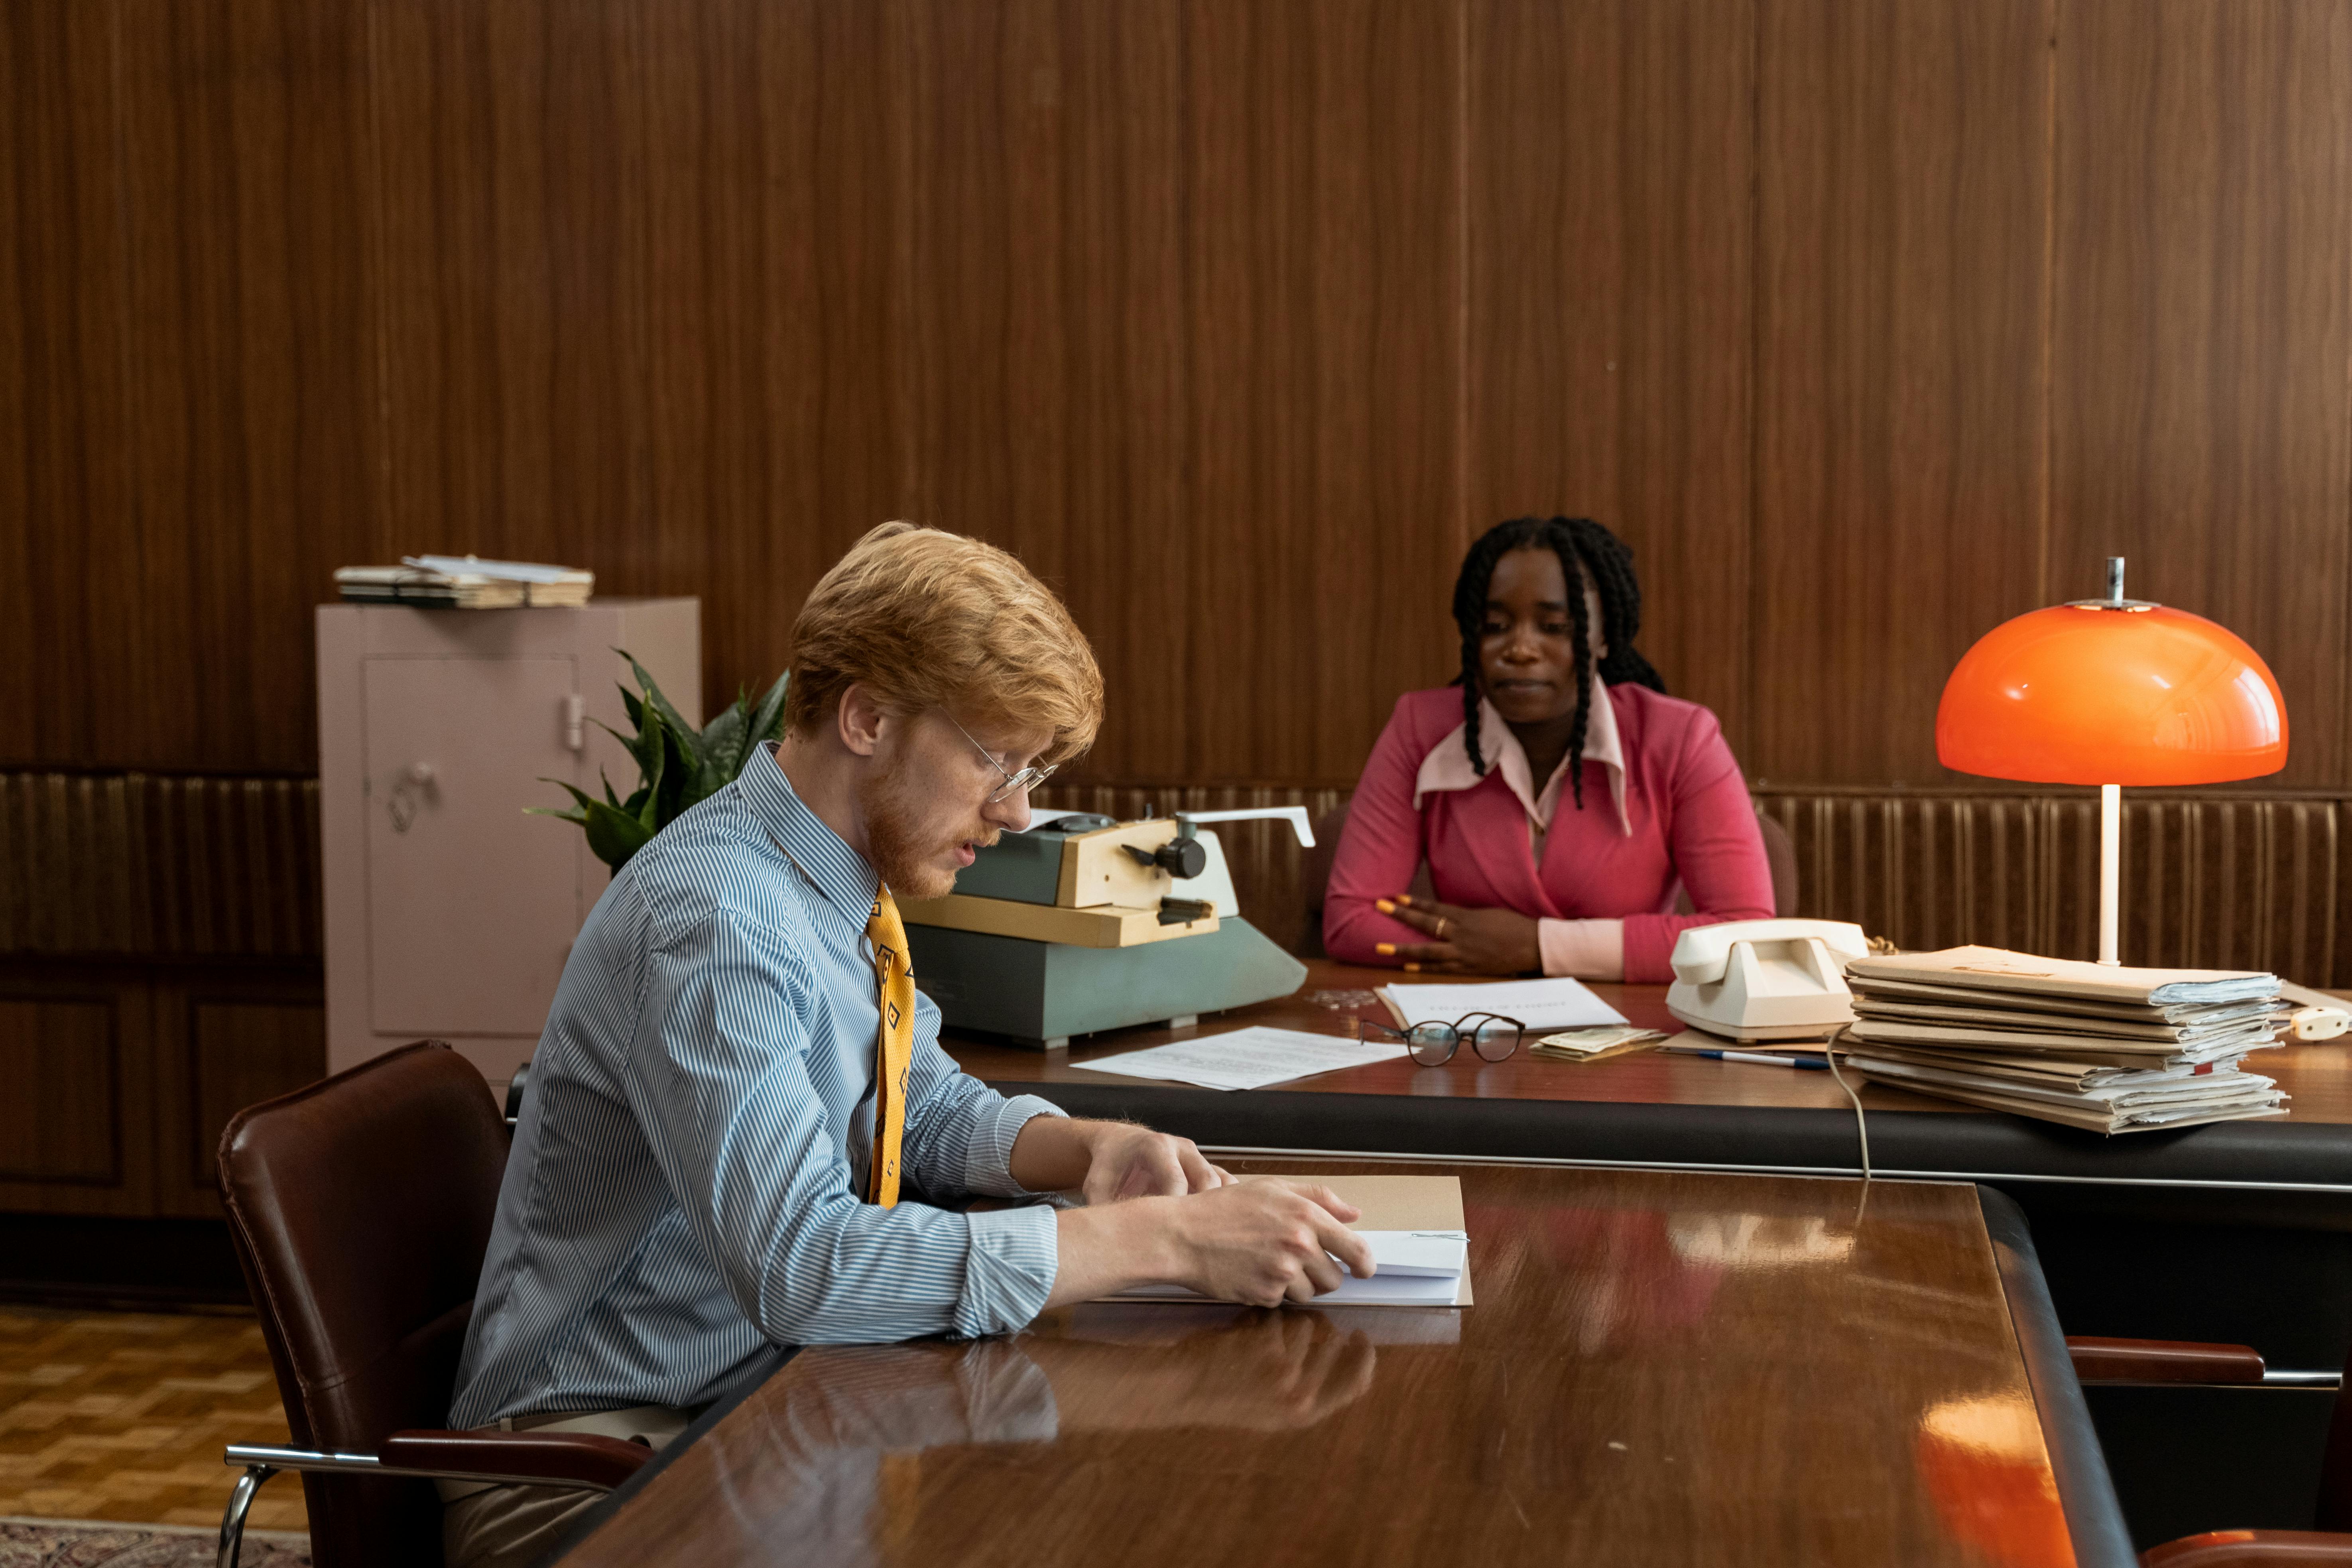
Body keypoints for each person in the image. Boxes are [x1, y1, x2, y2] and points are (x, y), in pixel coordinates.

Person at [443, 522, 1376, 1568]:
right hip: (596, 1463)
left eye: (1033, 766)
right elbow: (806, 1267)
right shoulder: (714, 923)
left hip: (765, 1398)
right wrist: (1167, 1243)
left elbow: (915, 1101)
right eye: (996, 756)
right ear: (867, 717)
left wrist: (1088, 1149)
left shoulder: (828, 887)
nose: (1019, 808)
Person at [1323, 515, 1773, 984]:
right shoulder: (1419, 728)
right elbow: (1350, 919)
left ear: (1603, 638)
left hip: (1631, 1036)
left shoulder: (1681, 738)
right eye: (1494, 625)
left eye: (1555, 627)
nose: (1519, 648)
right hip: (1472, 1029)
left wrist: (1537, 948)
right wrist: (1480, 949)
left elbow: (1744, 931)